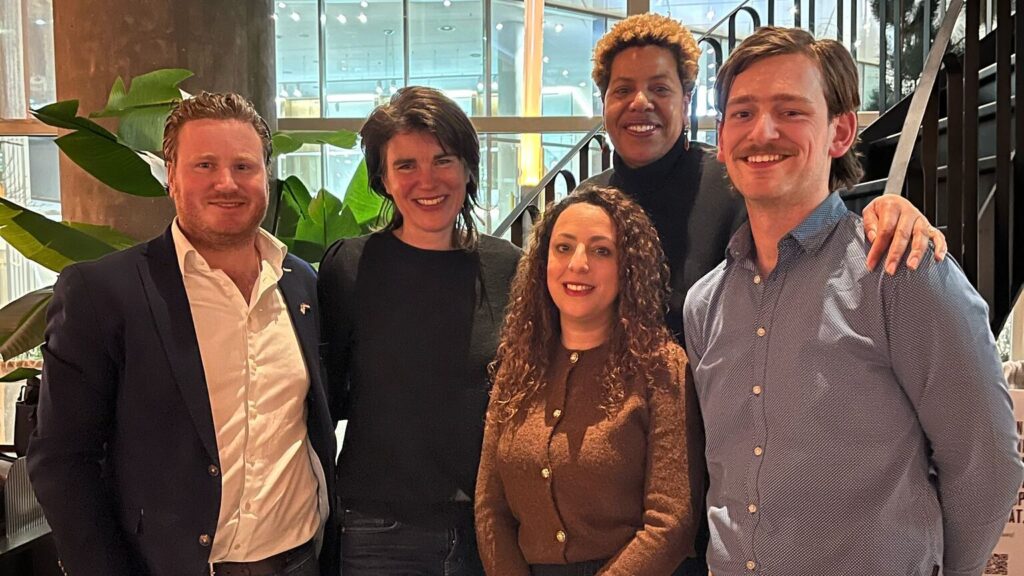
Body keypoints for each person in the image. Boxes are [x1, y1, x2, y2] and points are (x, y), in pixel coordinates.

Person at [584, 15, 950, 574]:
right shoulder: (584, 209)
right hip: (621, 486)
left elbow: (809, 225)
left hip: (709, 495)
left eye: (659, 87)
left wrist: (889, 209)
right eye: (622, 89)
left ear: (688, 100)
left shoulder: (735, 182)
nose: (640, 103)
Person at [683, 27, 1023, 575]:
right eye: (742, 113)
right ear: (721, 140)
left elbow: (987, 463)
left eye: (791, 111)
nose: (762, 131)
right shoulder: (706, 303)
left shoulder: (899, 271)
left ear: (840, 131)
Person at [26, 92, 337, 576]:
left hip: (298, 562)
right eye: (205, 165)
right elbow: (63, 460)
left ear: (266, 176)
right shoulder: (104, 293)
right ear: (171, 176)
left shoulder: (302, 284)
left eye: (243, 166)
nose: (226, 183)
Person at [318, 86, 521, 575]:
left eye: (443, 160)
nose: (426, 180)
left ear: (468, 169)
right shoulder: (350, 268)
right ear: (383, 179)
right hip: (380, 530)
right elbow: (328, 395)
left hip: (490, 527)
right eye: (405, 165)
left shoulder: (510, 268)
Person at [476, 185, 698, 576]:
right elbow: (490, 508)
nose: (578, 264)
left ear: (628, 266)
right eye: (563, 248)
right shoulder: (519, 365)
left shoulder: (661, 368)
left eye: (601, 251)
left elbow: (671, 520)